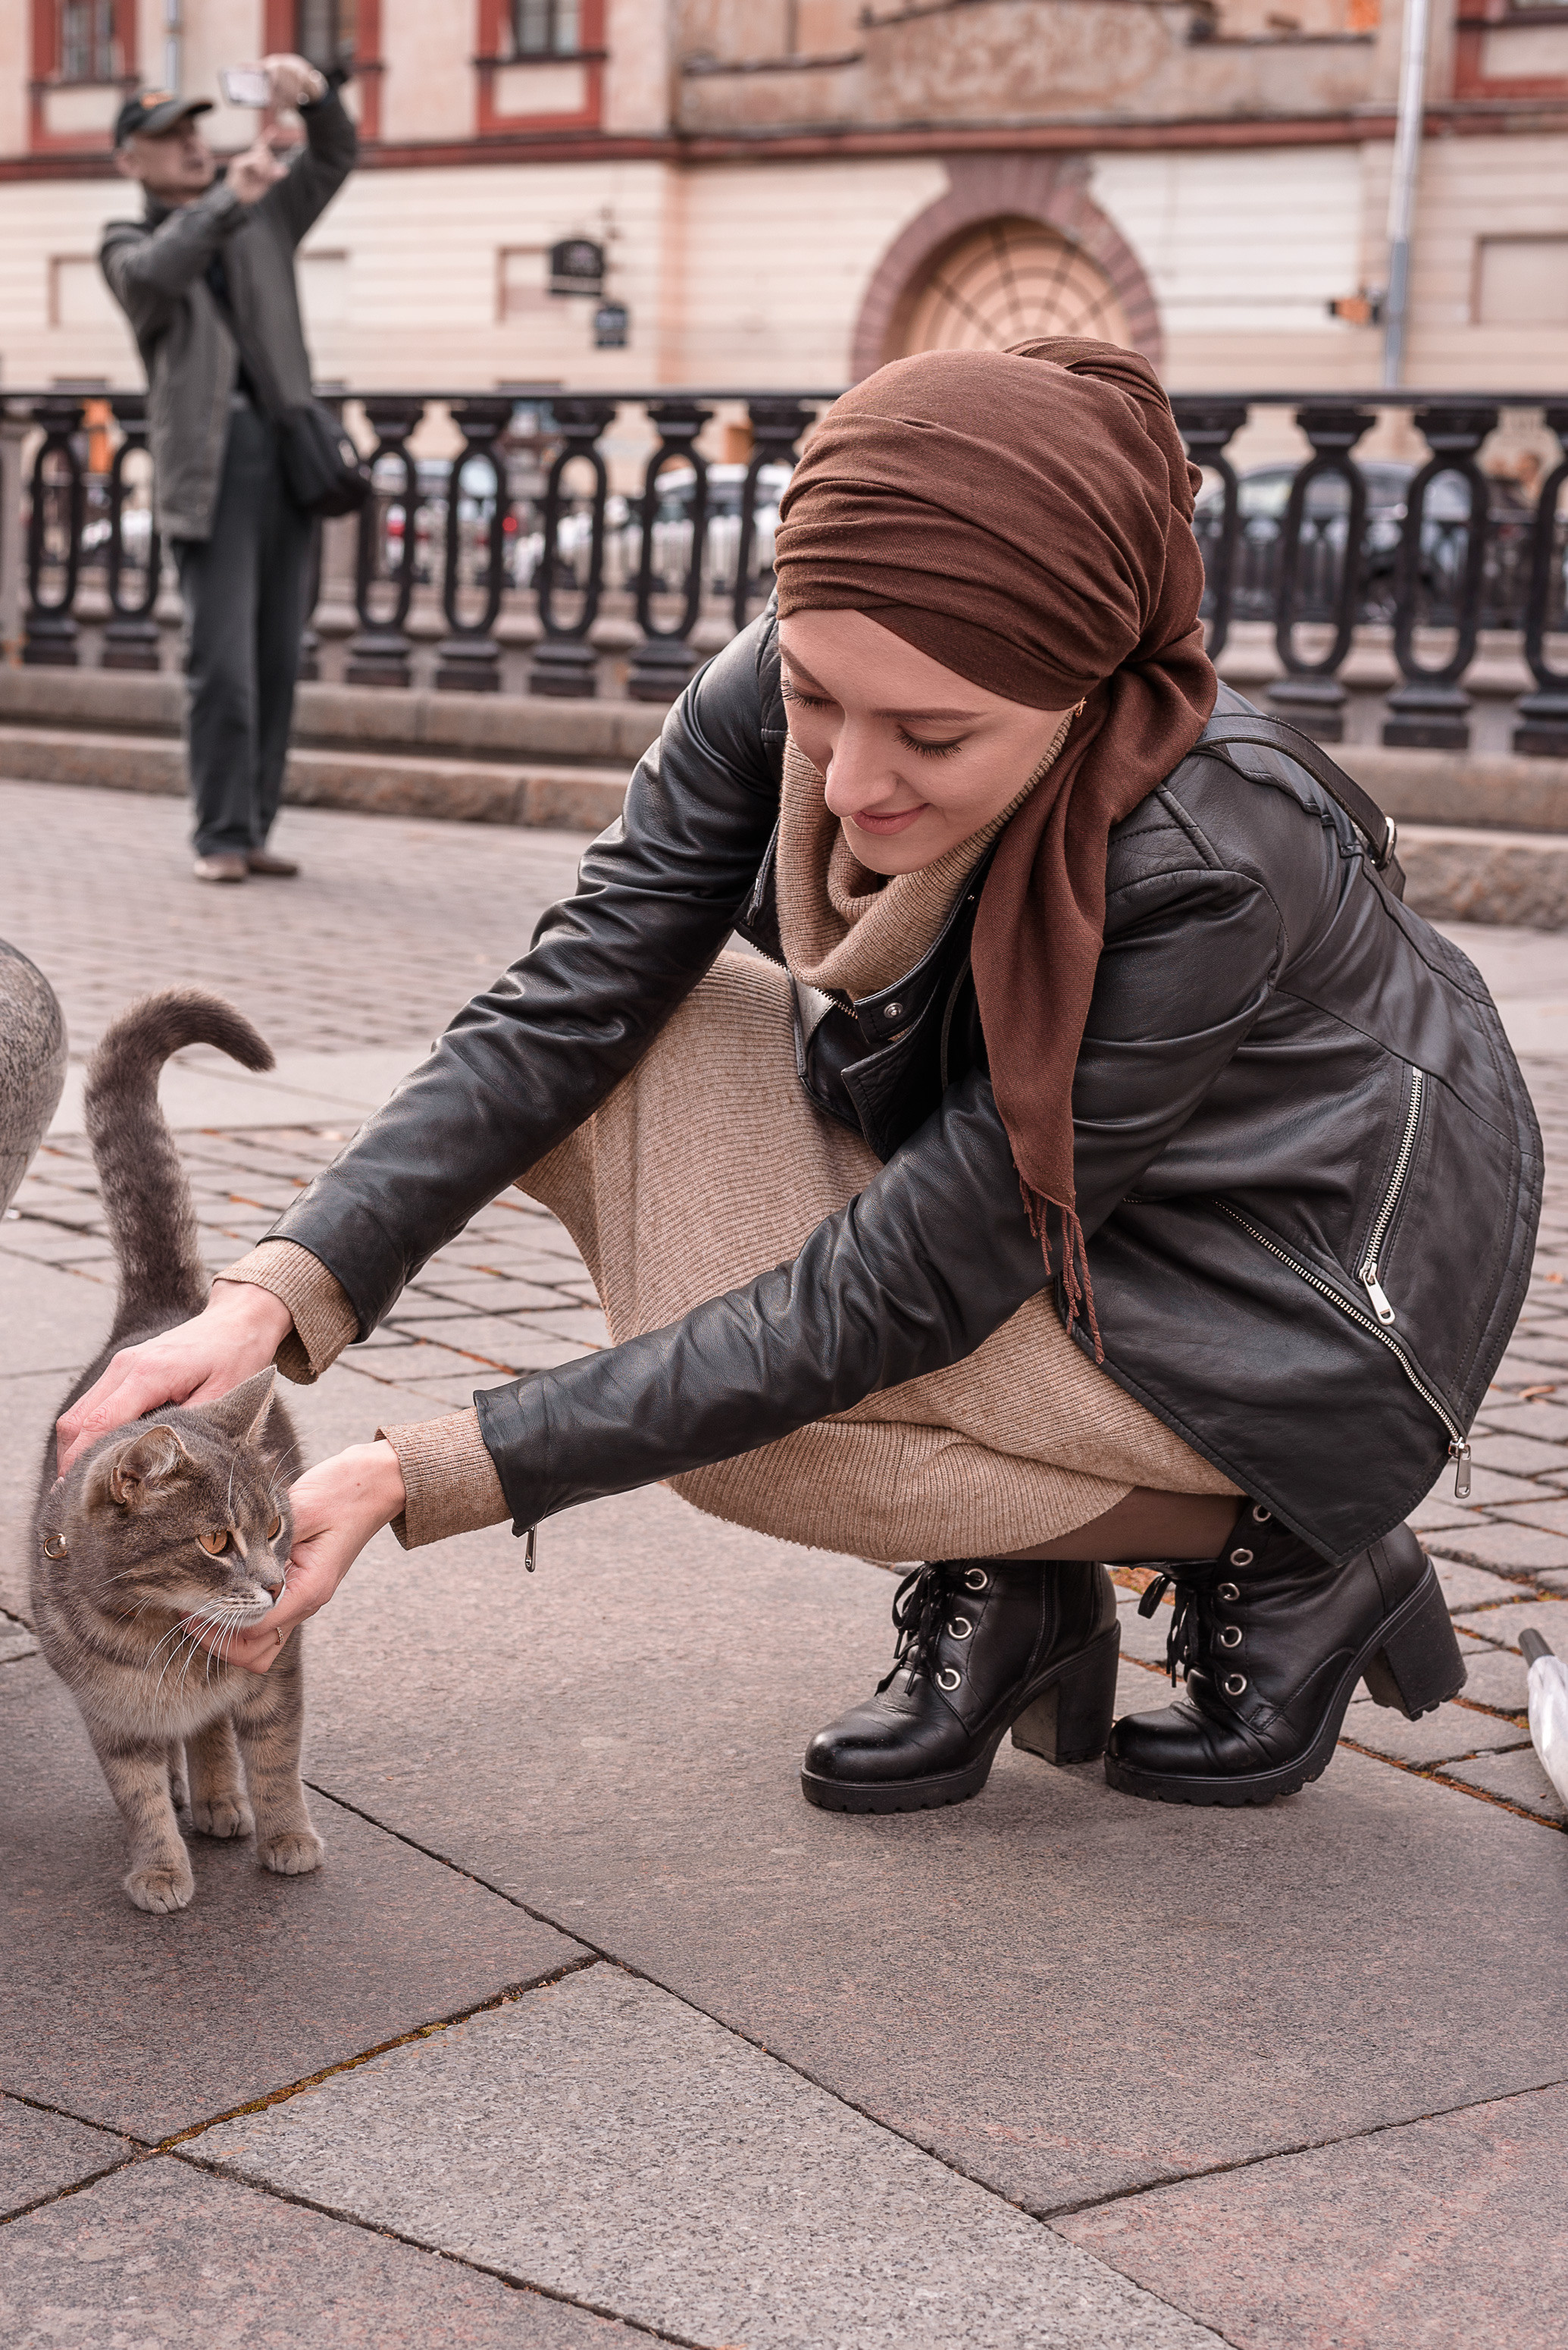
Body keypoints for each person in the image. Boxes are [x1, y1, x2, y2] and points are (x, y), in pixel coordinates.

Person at [58, 342, 1541, 1816]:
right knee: (646, 1033)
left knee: (765, 1434)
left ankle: (1291, 1542)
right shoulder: (772, 682)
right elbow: (567, 999)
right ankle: (1021, 1580)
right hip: (1045, 1213)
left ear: (1078, 697)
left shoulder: (1205, 861)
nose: (844, 781)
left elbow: (900, 1288)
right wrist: (272, 1294)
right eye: (818, 698)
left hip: (1292, 1300)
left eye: (931, 734)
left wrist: (420, 1472)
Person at [101, 60, 357, 885]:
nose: (190, 144)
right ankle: (219, 831)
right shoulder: (126, 243)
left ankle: (253, 829)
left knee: (278, 657)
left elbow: (335, 155)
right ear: (129, 160)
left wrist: (314, 96)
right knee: (221, 664)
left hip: (285, 455)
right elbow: (155, 276)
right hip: (209, 469)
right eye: (167, 135)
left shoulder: (261, 212)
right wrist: (226, 199)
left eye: (193, 129)